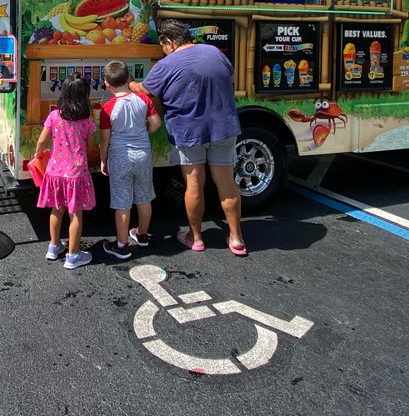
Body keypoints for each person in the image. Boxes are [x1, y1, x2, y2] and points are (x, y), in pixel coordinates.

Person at [129, 19, 248, 256]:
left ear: (169, 42)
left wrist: (128, 82)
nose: (162, 50)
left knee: (194, 184)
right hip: (224, 127)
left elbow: (145, 90)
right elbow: (228, 74)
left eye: (163, 45)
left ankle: (196, 238)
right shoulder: (214, 52)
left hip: (188, 131)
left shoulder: (167, 63)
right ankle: (236, 238)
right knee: (226, 182)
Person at [30, 75, 96, 269]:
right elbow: (91, 143)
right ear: (84, 95)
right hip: (77, 174)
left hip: (55, 173)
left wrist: (38, 154)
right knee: (76, 214)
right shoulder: (87, 119)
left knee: (56, 209)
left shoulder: (54, 116)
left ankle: (53, 247)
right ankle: (73, 255)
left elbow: (42, 141)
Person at [98, 60, 162, 260]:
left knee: (122, 203)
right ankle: (142, 235)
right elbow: (156, 123)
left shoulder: (107, 108)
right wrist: (145, 132)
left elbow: (104, 139)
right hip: (143, 154)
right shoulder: (143, 100)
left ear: (107, 83)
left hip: (120, 157)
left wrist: (103, 160)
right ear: (128, 79)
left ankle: (122, 245)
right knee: (144, 197)